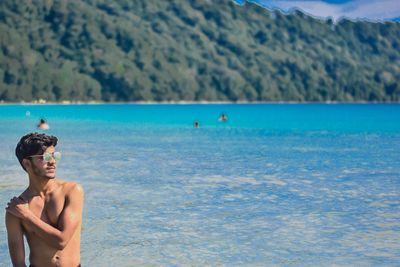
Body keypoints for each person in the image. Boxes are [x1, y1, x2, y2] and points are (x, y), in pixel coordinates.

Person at [5, 133, 84, 267]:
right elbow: (18, 263)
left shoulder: (72, 191)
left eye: (55, 155)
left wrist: (27, 215)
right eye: (46, 157)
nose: (53, 161)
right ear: (27, 163)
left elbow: (62, 241)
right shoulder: (16, 210)